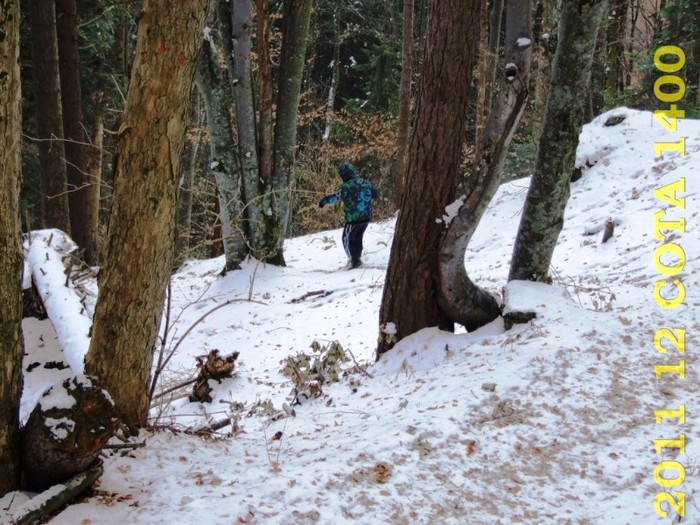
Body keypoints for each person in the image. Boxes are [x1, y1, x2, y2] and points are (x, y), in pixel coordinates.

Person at [319, 162, 380, 268]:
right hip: (366, 218)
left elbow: (335, 197)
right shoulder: (366, 183)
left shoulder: (345, 187)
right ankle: (357, 259)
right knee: (357, 238)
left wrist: (323, 201)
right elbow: (377, 194)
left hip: (353, 219)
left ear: (344, 175)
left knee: (346, 239)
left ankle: (354, 261)